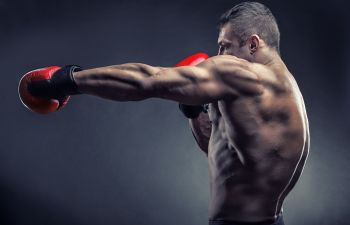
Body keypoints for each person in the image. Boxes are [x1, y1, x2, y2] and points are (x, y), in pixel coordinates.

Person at [18, 2, 309, 225]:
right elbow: (224, 156)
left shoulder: (244, 75)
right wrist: (194, 110)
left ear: (254, 44)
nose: (219, 56)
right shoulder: (287, 89)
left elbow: (147, 80)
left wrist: (66, 81)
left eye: (225, 47)